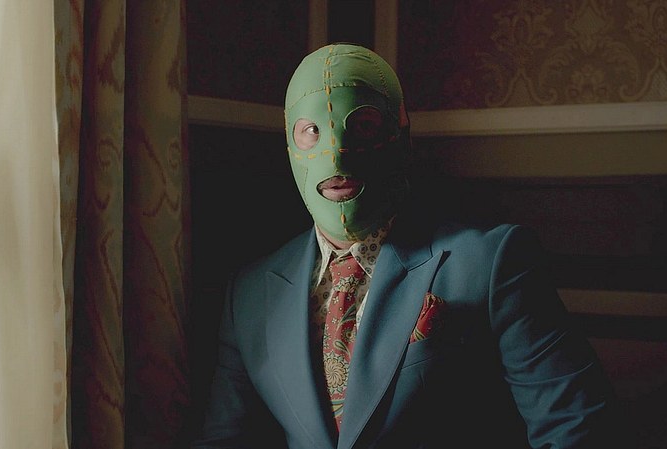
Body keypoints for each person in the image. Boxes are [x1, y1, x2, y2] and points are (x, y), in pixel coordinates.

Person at [193, 44, 621, 449]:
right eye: (311, 131)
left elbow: (575, 428)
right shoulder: (249, 293)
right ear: (290, 144)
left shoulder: (492, 262)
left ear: (401, 133)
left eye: (362, 125)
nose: (336, 154)